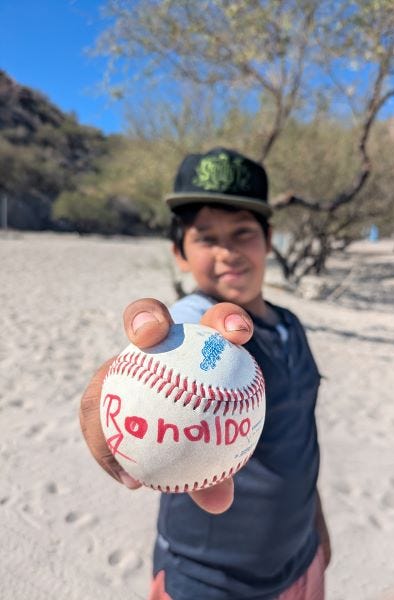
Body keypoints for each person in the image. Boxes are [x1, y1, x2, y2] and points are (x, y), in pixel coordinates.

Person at [80, 147, 331, 600]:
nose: (228, 252)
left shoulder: (291, 324)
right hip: (205, 580)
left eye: (242, 232)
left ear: (269, 238)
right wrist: (130, 375)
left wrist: (317, 527)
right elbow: (183, 333)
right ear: (179, 252)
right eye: (206, 237)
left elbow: (302, 439)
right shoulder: (192, 330)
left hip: (301, 562)